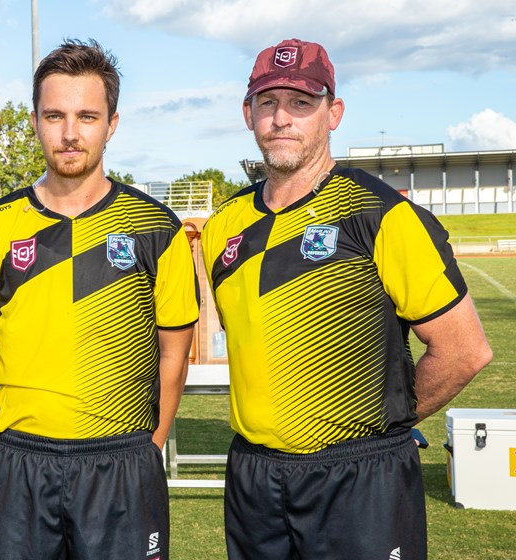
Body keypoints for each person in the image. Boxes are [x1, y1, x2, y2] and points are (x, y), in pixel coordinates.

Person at [201, 38, 492, 559]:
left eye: (301, 103)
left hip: (361, 477)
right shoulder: (225, 226)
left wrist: (385, 423)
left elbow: (465, 350)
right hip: (254, 480)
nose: (282, 118)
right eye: (267, 103)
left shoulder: (381, 214)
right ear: (248, 115)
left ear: (333, 113)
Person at [0, 39, 199, 560]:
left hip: (123, 461)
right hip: (22, 460)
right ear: (35, 121)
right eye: (55, 115)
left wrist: (149, 444)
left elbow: (174, 352)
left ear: (112, 123)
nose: (70, 133)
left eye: (87, 116)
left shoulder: (156, 227)